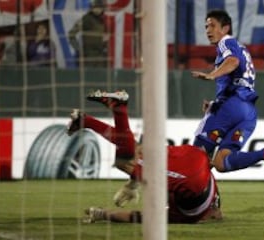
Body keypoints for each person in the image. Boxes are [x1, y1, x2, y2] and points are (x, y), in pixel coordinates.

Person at [67, 89, 223, 224]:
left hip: (195, 156)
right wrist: (103, 213)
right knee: (124, 162)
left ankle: (85, 120)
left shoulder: (213, 191)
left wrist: (135, 182)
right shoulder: (187, 216)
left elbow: (216, 211)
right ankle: (119, 108)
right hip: (187, 179)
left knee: (135, 149)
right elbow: (135, 217)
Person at [191, 9, 264, 175]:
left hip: (230, 107)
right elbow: (238, 78)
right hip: (248, 113)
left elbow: (233, 61)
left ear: (226, 28)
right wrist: (215, 103)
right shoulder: (242, 48)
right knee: (221, 162)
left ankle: (188, 199)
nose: (208, 30)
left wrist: (212, 75)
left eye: (212, 25)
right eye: (206, 26)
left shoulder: (226, 42)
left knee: (194, 157)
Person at [68, 0, 109, 68]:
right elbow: (71, 34)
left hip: (101, 57)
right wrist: (78, 49)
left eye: (100, 7)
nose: (97, 9)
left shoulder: (104, 20)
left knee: (101, 77)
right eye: (95, 7)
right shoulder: (86, 19)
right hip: (88, 57)